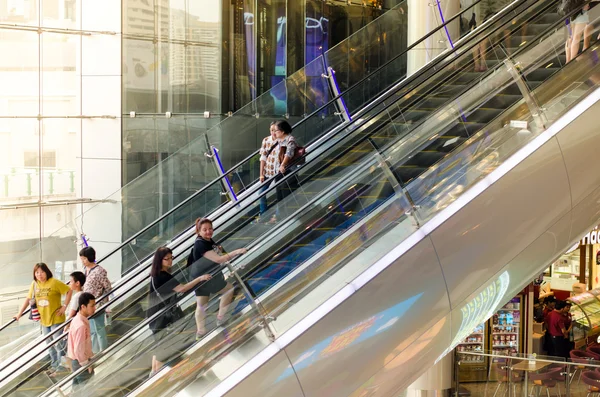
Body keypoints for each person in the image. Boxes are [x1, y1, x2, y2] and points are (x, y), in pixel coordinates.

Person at [148, 246, 213, 375]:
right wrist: (200, 279)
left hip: (155, 314)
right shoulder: (162, 276)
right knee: (164, 345)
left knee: (159, 343)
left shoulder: (156, 274)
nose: (170, 261)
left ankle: (153, 372)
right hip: (161, 316)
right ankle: (158, 375)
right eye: (166, 259)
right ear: (159, 260)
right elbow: (182, 288)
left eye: (171, 258)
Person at [190, 218, 247, 339]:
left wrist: (219, 250)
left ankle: (200, 332)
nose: (208, 232)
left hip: (200, 278)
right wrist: (237, 251)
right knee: (229, 289)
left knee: (201, 305)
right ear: (198, 231)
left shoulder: (205, 240)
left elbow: (215, 254)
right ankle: (220, 319)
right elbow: (218, 259)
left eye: (210, 229)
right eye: (204, 230)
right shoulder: (201, 243)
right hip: (207, 277)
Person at [14, 263, 73, 376]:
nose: (39, 275)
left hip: (56, 318)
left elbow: (69, 290)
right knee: (50, 345)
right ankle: (55, 365)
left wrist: (64, 306)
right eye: (37, 273)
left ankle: (62, 367)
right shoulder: (34, 284)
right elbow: (28, 299)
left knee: (59, 344)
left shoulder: (54, 282)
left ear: (46, 272)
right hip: (44, 320)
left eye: (42, 272)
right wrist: (19, 314)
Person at [80, 246, 112, 353]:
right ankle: (95, 351)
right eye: (82, 259)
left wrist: (107, 303)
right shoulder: (86, 270)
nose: (83, 261)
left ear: (90, 257)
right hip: (87, 304)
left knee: (99, 329)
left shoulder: (99, 270)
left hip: (97, 304)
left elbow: (107, 286)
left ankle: (103, 351)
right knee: (92, 330)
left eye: (84, 258)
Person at [67, 292, 96, 395]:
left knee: (76, 392)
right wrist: (87, 365)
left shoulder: (76, 320)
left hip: (75, 361)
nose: (94, 308)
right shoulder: (81, 325)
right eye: (92, 306)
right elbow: (79, 350)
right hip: (81, 363)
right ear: (83, 306)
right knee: (87, 392)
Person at [271, 120, 299, 223]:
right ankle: (282, 217)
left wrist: (282, 165)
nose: (275, 133)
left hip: (288, 171)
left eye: (277, 130)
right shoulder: (279, 141)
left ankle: (289, 217)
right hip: (279, 172)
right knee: (279, 195)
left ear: (282, 131)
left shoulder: (290, 140)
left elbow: (289, 154)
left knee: (287, 195)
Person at [257, 121, 280, 223]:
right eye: (271, 130)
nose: (273, 133)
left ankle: (278, 216)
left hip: (279, 172)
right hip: (268, 172)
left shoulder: (283, 140)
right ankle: (264, 215)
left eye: (275, 130)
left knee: (280, 194)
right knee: (261, 193)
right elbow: (263, 158)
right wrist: (261, 174)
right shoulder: (266, 140)